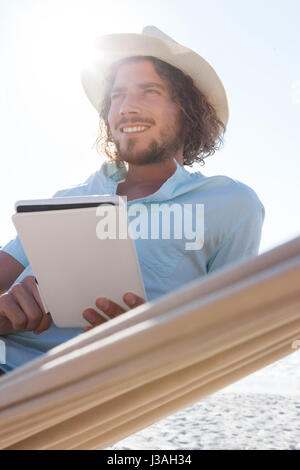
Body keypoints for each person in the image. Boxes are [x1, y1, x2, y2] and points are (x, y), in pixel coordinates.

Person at [0, 26, 265, 375]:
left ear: (188, 111)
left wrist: (152, 339)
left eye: (148, 91)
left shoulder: (230, 204)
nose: (126, 107)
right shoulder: (67, 200)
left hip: (60, 391)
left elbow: (230, 338)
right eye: (118, 96)